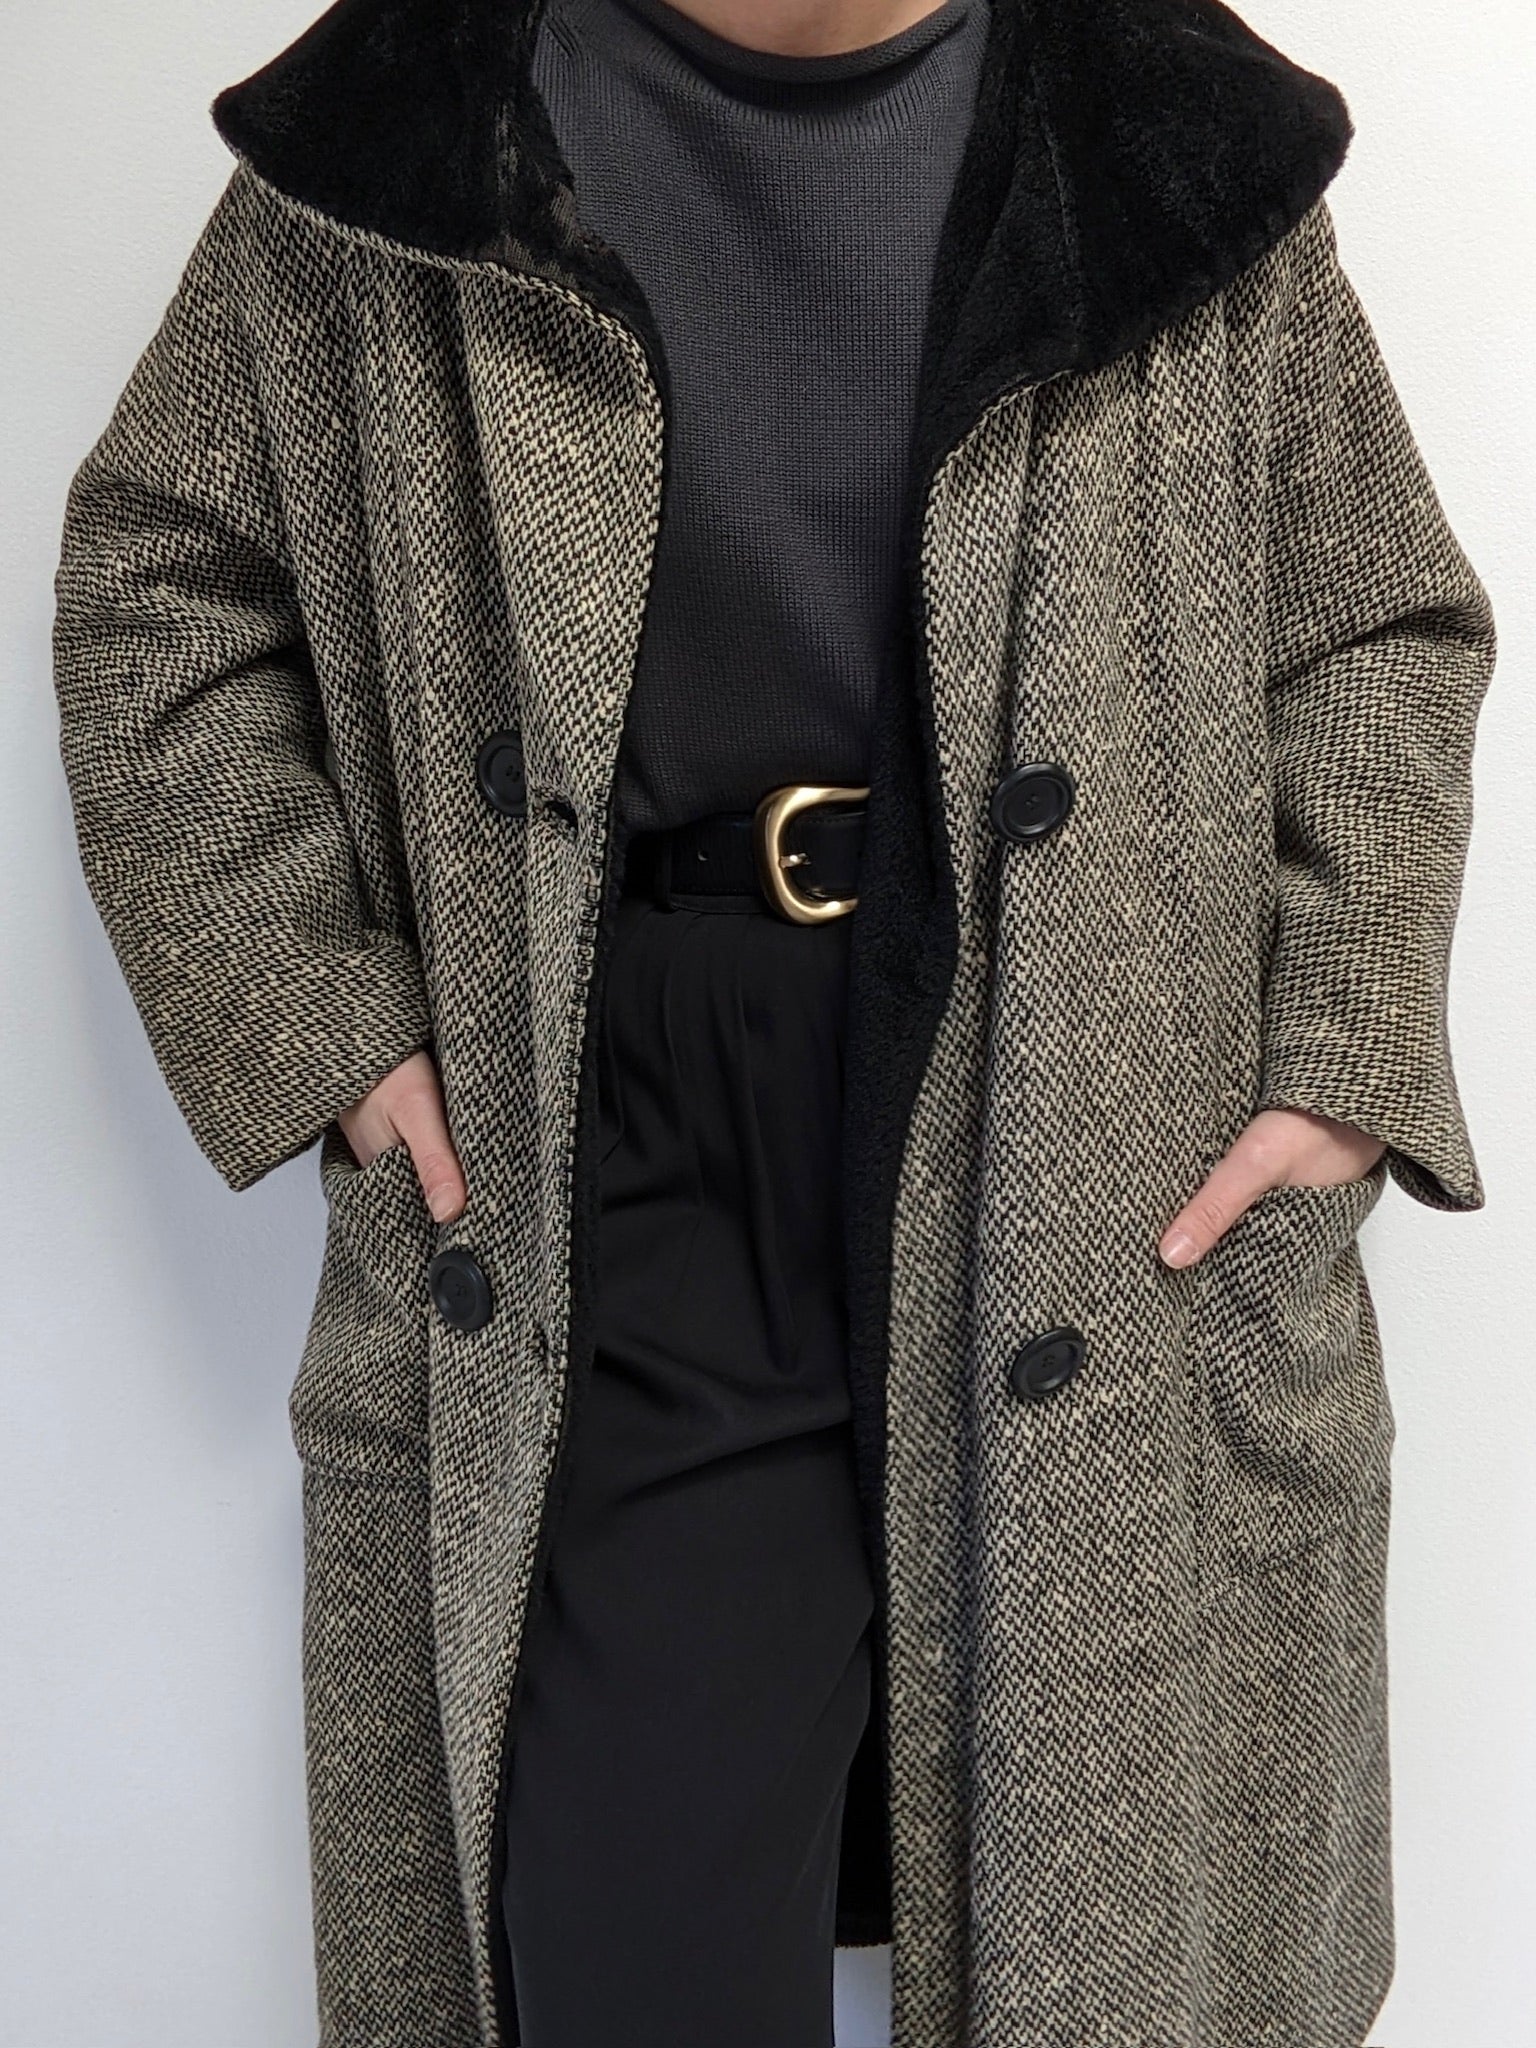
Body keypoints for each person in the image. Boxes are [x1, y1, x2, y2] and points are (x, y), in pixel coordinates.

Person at [50, 0, 1496, 2043]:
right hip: (631, 1134)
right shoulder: (412, 133)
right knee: (627, 1941)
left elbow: (1380, 627)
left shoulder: (1163, 128)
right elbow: (157, 584)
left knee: (1113, 1933)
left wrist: (1338, 1057)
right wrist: (315, 1019)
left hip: (1088, 1112)